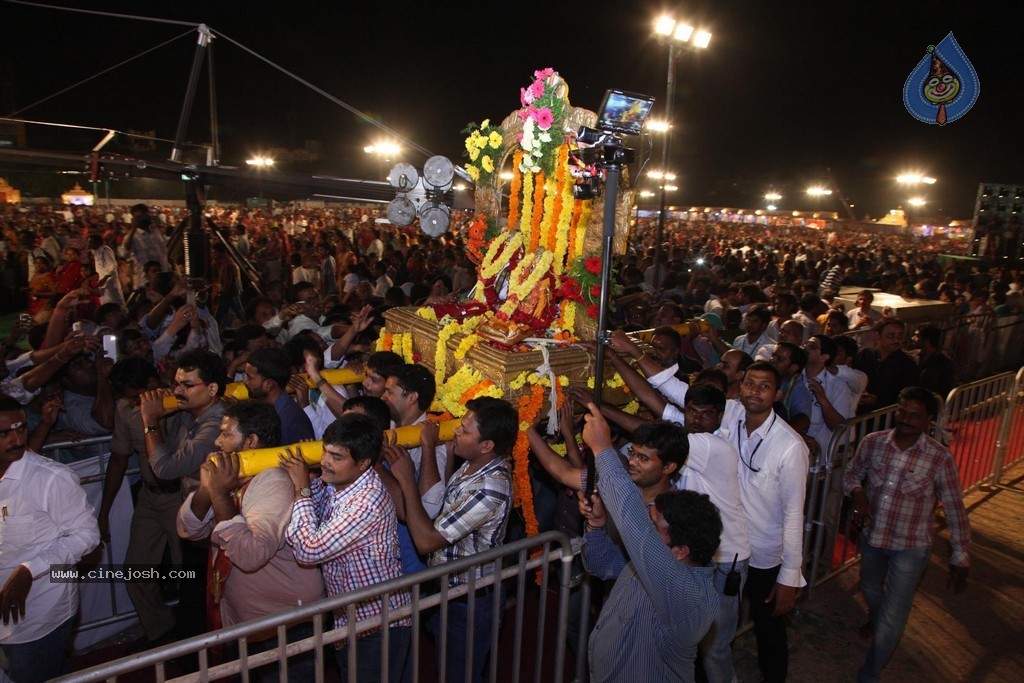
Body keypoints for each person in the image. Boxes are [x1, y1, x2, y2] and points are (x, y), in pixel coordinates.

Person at [577, 402, 722, 683]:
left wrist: (603, 449)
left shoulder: (686, 593)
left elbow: (633, 522)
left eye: (652, 526)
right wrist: (596, 526)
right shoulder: (659, 561)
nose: (645, 525)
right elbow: (604, 566)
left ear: (680, 552)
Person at [179, 402, 324, 681]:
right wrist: (207, 489)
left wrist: (220, 495)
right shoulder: (233, 475)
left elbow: (250, 554)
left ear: (251, 441)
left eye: (226, 434)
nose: (218, 442)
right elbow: (190, 530)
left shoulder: (273, 481)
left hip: (282, 627)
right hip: (245, 623)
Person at [384, 396, 516, 683]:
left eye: (465, 430)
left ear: (487, 446)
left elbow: (427, 541)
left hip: (470, 600)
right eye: (460, 425)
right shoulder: (472, 465)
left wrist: (406, 479)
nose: (456, 431)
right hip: (448, 588)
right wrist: (434, 449)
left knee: (460, 673)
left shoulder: (491, 486)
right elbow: (441, 504)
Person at [842, 386, 970, 683]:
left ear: (928, 421)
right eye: (902, 411)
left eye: (915, 415)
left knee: (893, 614)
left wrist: (960, 554)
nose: (906, 419)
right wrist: (858, 492)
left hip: (911, 547)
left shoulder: (939, 458)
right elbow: (851, 474)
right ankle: (877, 619)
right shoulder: (873, 443)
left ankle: (870, 673)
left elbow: (953, 507)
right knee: (870, 587)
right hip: (872, 539)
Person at [281, 413, 410, 683]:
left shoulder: (367, 502)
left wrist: (302, 488)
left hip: (378, 624)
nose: (325, 461)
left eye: (336, 457)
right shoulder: (338, 481)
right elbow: (313, 508)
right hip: (350, 620)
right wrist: (310, 483)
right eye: (325, 451)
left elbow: (309, 550)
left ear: (363, 464)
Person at [0, 393, 100, 683]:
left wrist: (30, 570)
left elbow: (87, 535)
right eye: (4, 433)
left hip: (37, 616)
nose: (16, 439)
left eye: (21, 428)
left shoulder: (50, 478)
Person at [725, 361, 809, 683]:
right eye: (750, 383)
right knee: (718, 624)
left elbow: (793, 513)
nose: (755, 391)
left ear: (777, 393)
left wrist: (790, 575)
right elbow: (682, 398)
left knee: (768, 630)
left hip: (764, 555)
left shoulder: (790, 446)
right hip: (729, 547)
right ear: (741, 385)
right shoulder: (731, 416)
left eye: (764, 386)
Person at [242, 347, 315, 445]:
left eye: (250, 378)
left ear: (269, 384)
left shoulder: (291, 421)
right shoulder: (268, 409)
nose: (245, 381)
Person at [853, 318, 919, 412]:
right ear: (878, 336)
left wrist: (879, 401)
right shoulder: (864, 355)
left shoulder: (907, 364)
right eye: (890, 336)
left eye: (899, 336)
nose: (896, 340)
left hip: (886, 416)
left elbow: (907, 396)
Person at [913, 325, 955, 397]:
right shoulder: (915, 356)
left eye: (917, 336)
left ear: (926, 341)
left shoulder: (945, 365)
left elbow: (945, 390)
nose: (913, 338)